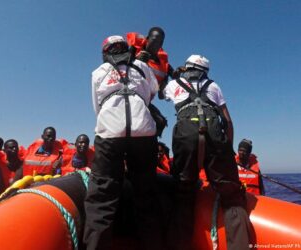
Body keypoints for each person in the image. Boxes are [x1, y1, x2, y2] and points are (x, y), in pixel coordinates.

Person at [162, 55, 251, 249]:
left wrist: (173, 74)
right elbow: (227, 121)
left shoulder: (175, 84)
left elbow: (162, 94)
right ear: (205, 71)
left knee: (183, 192)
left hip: (185, 137)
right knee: (232, 196)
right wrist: (227, 153)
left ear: (187, 68)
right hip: (214, 137)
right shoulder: (214, 86)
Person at [84, 35, 162, 250]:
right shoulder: (142, 66)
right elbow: (151, 93)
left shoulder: (98, 72)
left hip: (110, 132)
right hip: (144, 133)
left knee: (101, 198)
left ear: (105, 52)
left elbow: (97, 106)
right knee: (146, 194)